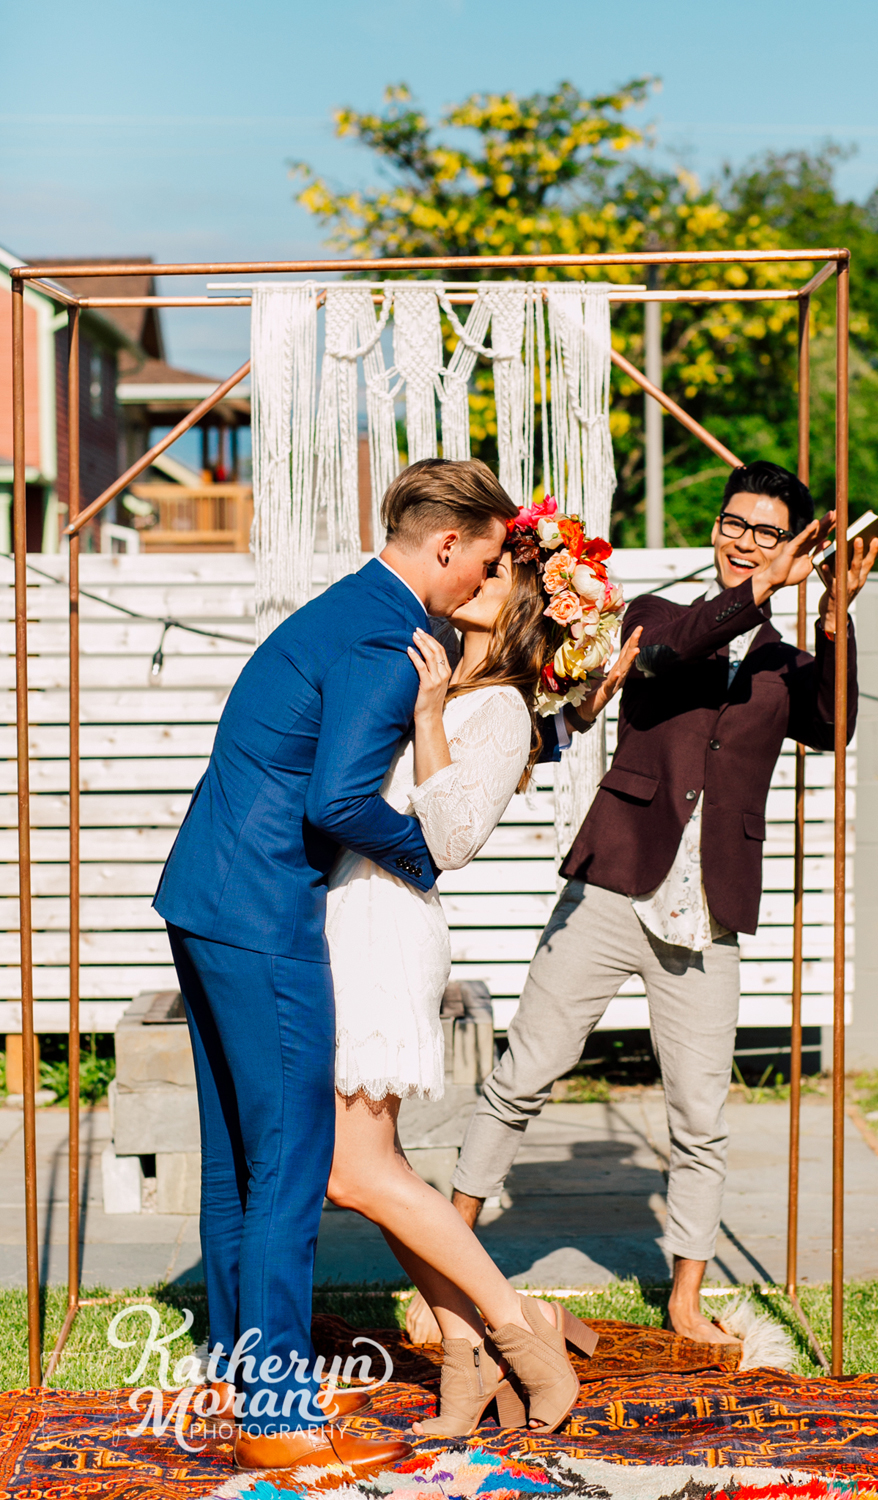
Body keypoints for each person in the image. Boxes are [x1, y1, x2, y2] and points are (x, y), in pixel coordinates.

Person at [449, 460, 878, 1345]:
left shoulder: (786, 667)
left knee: (700, 1117)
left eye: (767, 531)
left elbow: (833, 727)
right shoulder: (651, 620)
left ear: (797, 541)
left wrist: (833, 616)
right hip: (613, 884)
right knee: (522, 1075)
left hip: (708, 913)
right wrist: (764, 585)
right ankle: (447, 1263)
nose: (745, 541)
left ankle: (684, 1300)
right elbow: (679, 649)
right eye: (736, 523)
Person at [153, 459, 518, 1476]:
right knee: (291, 1167)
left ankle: (235, 1366)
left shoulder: (343, 607)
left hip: (206, 895)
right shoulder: (385, 638)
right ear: (446, 544)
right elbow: (339, 802)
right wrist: (425, 858)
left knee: (238, 1156)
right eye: (482, 560)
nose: (477, 584)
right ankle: (275, 1407)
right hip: (267, 912)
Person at [324, 488, 641, 1439]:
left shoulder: (496, 706)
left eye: (503, 572)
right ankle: (468, 1360)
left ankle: (517, 1331)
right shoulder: (449, 676)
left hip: (387, 923)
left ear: (522, 609)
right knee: (375, 1168)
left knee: (354, 1173)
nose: (481, 571)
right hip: (351, 914)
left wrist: (427, 716)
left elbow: (452, 834)